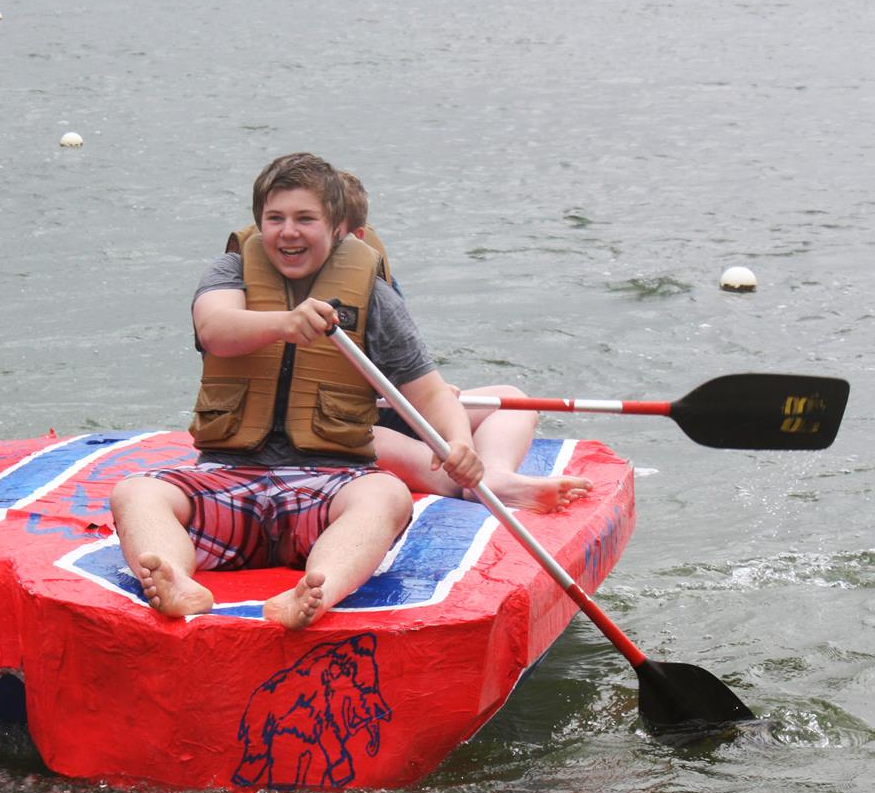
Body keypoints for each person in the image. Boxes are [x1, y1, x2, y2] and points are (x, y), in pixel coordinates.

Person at [108, 152, 484, 631]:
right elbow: (215, 327)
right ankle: (174, 579)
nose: (288, 232)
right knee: (136, 491)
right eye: (275, 218)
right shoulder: (230, 272)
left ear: (337, 228)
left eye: (305, 219)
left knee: (387, 494)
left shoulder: (374, 294)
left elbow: (429, 393)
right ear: (258, 222)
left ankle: (316, 589)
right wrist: (286, 323)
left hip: (327, 490)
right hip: (230, 480)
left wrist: (460, 441)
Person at [336, 171, 592, 513]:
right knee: (378, 443)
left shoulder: (375, 286)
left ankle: (495, 475)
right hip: (345, 427)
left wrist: (434, 396)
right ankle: (469, 485)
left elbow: (407, 369)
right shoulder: (270, 290)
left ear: (356, 236)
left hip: (393, 409)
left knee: (513, 400)